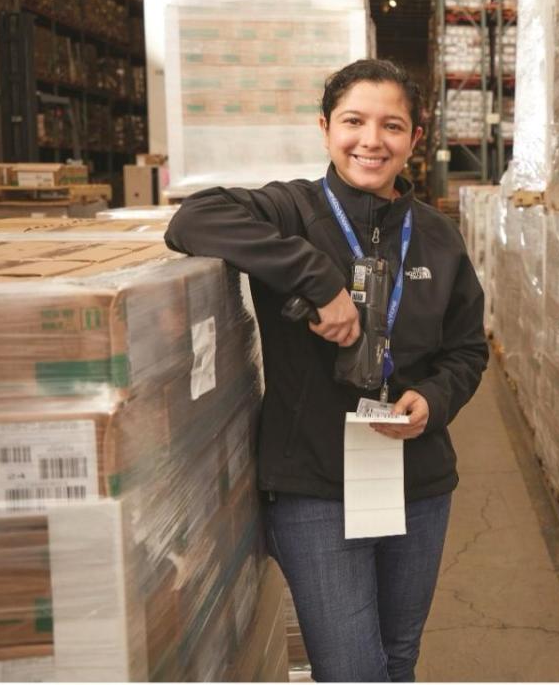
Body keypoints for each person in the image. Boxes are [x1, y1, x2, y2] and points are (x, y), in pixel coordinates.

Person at [165, 58, 488, 682]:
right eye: (354, 121)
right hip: (314, 485)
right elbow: (192, 219)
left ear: (415, 139)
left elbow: (467, 350)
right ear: (325, 128)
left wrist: (433, 398)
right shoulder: (289, 210)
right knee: (350, 669)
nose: (372, 140)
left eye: (392, 125)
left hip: (415, 481)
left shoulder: (439, 238)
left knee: (398, 659)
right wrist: (319, 280)